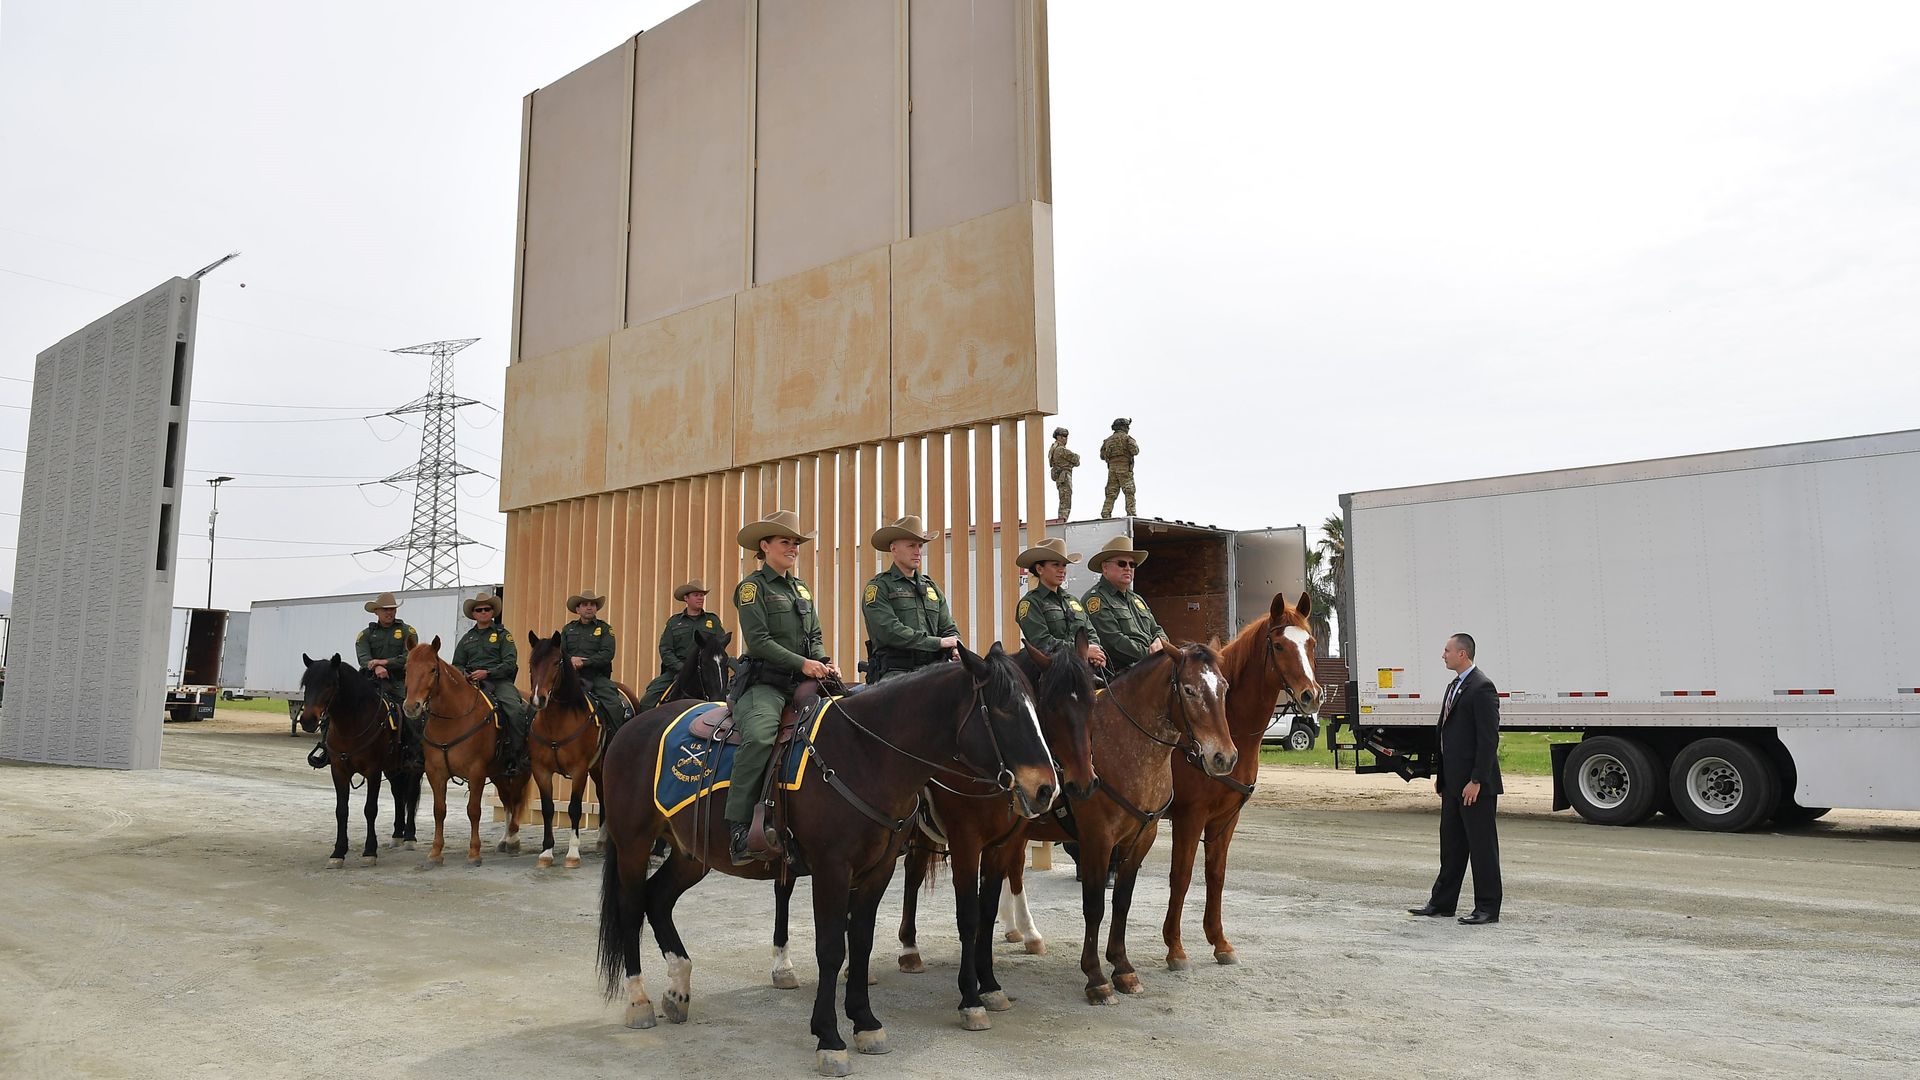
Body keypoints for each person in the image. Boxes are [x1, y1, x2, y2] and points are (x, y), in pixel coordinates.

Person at [728, 509, 839, 864]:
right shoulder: (751, 588)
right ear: (765, 546)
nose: (793, 548)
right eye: (785, 542)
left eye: (795, 542)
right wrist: (803, 663)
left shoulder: (801, 587)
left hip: (805, 681)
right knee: (761, 736)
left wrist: (823, 661)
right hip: (765, 685)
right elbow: (758, 641)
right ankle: (738, 829)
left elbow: (815, 635)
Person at [1409, 632, 1504, 925]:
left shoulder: (1482, 687)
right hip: (1452, 783)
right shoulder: (1454, 686)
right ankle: (1442, 902)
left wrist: (1476, 780)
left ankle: (1487, 908)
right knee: (1451, 845)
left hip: (1475, 785)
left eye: (1447, 650)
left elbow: (1488, 740)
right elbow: (1446, 736)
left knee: (1482, 847)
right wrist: (1442, 776)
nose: (1443, 655)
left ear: (1463, 654)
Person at [861, 516, 959, 684]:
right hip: (897, 674)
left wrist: (954, 648)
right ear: (894, 549)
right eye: (911, 545)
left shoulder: (931, 588)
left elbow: (948, 628)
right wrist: (938, 643)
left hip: (935, 671)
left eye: (920, 546)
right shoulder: (879, 588)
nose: (918, 551)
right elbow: (890, 632)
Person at [450, 591, 527, 773]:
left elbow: (510, 663)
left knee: (515, 710)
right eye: (479, 610)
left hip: (498, 682)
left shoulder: (503, 635)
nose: (483, 612)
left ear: (492, 612)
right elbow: (457, 664)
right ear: (474, 614)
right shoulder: (466, 638)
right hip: (471, 684)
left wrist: (488, 672)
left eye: (487, 609)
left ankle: (517, 755)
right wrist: (465, 674)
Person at [1081, 534, 1168, 676]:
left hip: (1148, 667)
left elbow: (1156, 629)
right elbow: (1114, 642)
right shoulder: (1095, 599)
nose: (1128, 568)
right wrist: (1150, 654)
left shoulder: (1136, 599)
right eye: (1121, 563)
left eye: (1132, 564)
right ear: (1105, 568)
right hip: (1120, 675)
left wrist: (1160, 641)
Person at [1014, 536, 1106, 670]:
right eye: (1056, 565)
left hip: (1082, 669)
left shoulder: (1072, 600)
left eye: (1064, 565)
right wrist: (1082, 650)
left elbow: (1090, 632)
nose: (1062, 570)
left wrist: (1096, 653)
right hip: (1050, 675)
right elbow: (1042, 643)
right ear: (1040, 569)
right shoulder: (1030, 603)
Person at [639, 580, 726, 707]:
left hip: (707, 672)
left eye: (702, 595)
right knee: (648, 700)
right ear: (686, 598)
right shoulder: (674, 623)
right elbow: (665, 649)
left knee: (729, 700)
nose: (700, 598)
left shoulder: (712, 620)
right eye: (696, 595)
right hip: (676, 671)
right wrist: (682, 668)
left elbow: (719, 647)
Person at [355, 591, 420, 751]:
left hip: (399, 682)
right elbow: (363, 658)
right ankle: (327, 747)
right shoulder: (365, 634)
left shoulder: (407, 631)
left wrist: (384, 662)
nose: (389, 612)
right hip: (371, 681)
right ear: (376, 612)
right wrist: (376, 666)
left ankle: (415, 751)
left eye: (392, 609)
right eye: (385, 609)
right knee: (342, 704)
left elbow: (409, 656)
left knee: (412, 713)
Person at [560, 589, 628, 731]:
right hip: (569, 676)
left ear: (596, 608)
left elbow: (607, 654)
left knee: (614, 704)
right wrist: (570, 660)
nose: (589, 607)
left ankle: (615, 740)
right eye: (585, 604)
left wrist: (584, 663)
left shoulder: (604, 629)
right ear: (578, 609)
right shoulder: (568, 629)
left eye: (592, 604)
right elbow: (560, 652)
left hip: (596, 677)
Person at [1099, 417, 1140, 517]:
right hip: (1124, 468)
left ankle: (1106, 513)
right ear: (1123, 427)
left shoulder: (1108, 440)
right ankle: (1131, 513)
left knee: (1111, 493)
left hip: (1112, 469)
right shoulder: (1127, 438)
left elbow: (1102, 455)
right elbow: (1135, 451)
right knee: (1129, 491)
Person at [1048, 427, 1080, 521]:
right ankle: (1063, 518)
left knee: (1064, 498)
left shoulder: (1054, 449)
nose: (1065, 439)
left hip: (1060, 476)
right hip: (1064, 476)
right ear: (1058, 437)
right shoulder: (1060, 449)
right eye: (1063, 436)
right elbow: (1076, 460)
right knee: (1066, 499)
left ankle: (1062, 518)